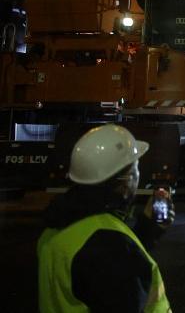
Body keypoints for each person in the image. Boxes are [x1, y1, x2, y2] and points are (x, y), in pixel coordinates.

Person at [37, 124, 173, 312]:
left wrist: (147, 231)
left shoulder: (55, 230)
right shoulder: (110, 245)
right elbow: (115, 267)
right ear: (125, 182)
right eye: (135, 169)